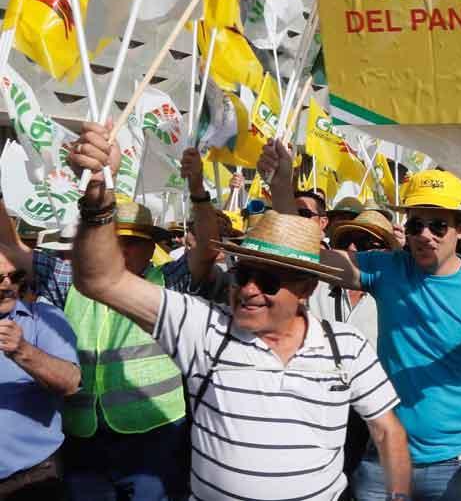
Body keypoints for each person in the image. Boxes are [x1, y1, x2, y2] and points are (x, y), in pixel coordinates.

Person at [66, 122, 412, 500]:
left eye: (267, 282)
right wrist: (99, 201)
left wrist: (397, 496)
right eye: (242, 273)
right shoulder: (203, 327)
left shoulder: (346, 346)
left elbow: (387, 430)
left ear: (305, 289)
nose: (248, 289)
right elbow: (101, 280)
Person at [262, 141, 461, 501]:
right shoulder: (388, 269)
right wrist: (281, 187)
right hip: (384, 458)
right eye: (416, 224)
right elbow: (304, 255)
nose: (424, 235)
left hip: (455, 464)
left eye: (437, 225)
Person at [0, 147, 221, 501]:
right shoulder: (68, 280)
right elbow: (11, 247)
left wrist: (197, 186)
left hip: (155, 435)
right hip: (84, 436)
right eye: (112, 239)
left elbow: (208, 249)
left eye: (131, 242)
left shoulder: (170, 284)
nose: (118, 249)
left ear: (151, 248)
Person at [312, 209, 396, 498]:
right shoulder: (314, 288)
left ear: (384, 251)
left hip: (374, 419)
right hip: (320, 413)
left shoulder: (398, 295)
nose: (351, 248)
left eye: (362, 242)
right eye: (347, 239)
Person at [0, 257, 79, 499]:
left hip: (29, 478)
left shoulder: (43, 318)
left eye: (15, 277)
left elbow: (70, 382)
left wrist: (22, 350)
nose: (7, 285)